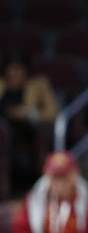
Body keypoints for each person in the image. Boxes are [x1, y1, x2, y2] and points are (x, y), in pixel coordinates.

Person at [0, 51, 59, 196]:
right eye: (11, 69)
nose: (15, 73)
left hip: (29, 131)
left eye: (19, 69)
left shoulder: (38, 84)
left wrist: (31, 114)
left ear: (26, 70)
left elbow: (53, 112)